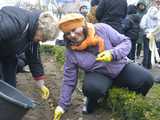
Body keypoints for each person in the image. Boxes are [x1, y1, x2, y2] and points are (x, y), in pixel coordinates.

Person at [53, 13, 153, 120]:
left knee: (146, 79)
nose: (72, 35)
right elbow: (69, 79)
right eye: (68, 33)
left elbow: (126, 42)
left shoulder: (102, 29)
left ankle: (128, 102)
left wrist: (112, 54)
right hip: (98, 74)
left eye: (74, 29)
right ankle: (93, 99)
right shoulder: (71, 51)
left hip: (120, 67)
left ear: (83, 26)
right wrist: (62, 105)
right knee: (91, 89)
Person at [0, 6, 59, 99]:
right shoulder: (14, 23)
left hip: (8, 57)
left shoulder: (32, 33)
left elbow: (34, 58)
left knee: (10, 90)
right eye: (44, 37)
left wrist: (41, 84)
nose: (43, 41)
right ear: (40, 28)